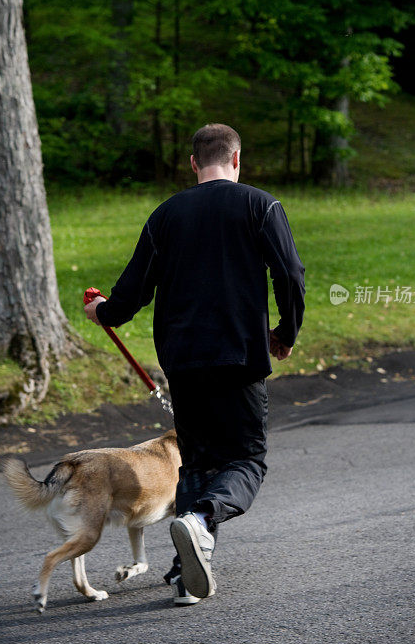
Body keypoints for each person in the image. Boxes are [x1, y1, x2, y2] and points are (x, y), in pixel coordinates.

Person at [84, 123, 305, 605]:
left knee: (198, 463)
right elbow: (290, 273)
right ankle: (202, 523)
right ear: (237, 159)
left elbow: (130, 294)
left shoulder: (165, 215)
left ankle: (187, 576)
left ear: (192, 163)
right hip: (240, 357)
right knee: (246, 460)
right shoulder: (260, 204)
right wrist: (285, 334)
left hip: (183, 364)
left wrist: (100, 311)